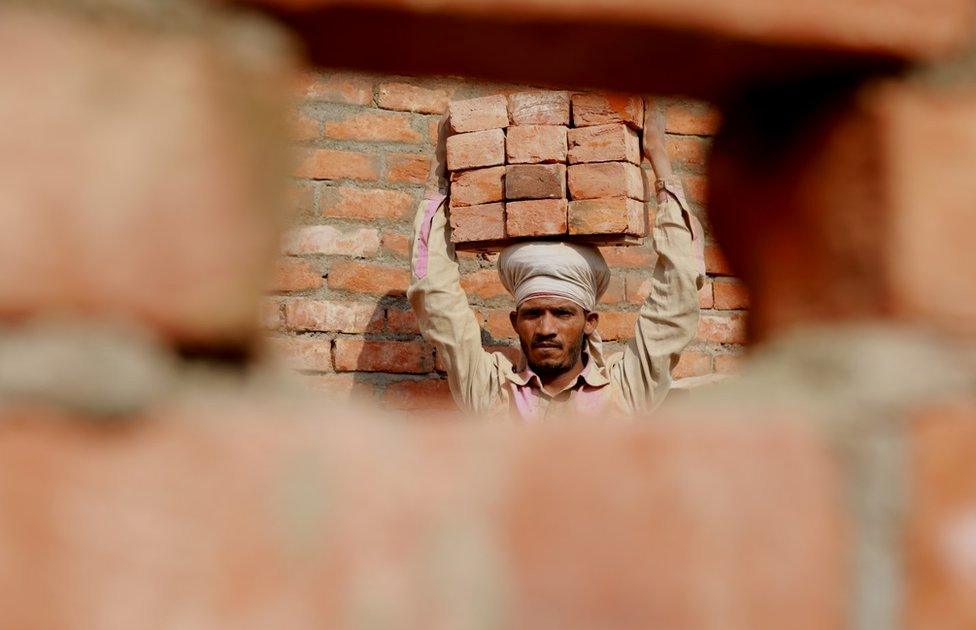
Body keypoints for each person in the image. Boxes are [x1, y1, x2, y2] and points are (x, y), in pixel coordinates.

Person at [407, 98, 705, 419]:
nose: (546, 328)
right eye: (533, 313)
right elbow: (434, 293)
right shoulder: (490, 390)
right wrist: (442, 166)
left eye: (562, 313)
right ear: (514, 322)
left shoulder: (626, 388)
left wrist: (658, 156)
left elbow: (679, 287)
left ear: (590, 322)